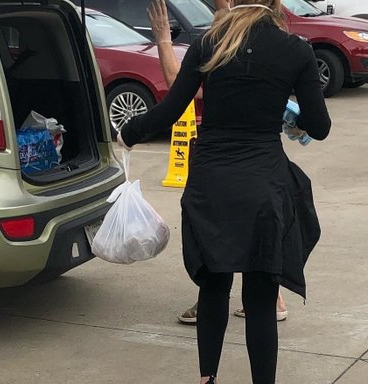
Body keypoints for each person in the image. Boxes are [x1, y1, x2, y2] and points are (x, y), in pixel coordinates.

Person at [118, 0, 331, 382]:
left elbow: (170, 111)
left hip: (211, 183)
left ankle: (207, 379)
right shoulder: (296, 48)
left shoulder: (209, 42)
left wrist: (129, 132)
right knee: (261, 300)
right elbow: (319, 126)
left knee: (214, 287)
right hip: (264, 185)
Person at [146, 0, 288, 325]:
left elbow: (173, 85)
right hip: (263, 155)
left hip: (222, 156)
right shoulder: (277, 33)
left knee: (217, 233)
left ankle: (213, 298)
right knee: (256, 228)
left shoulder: (221, 31)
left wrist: (164, 38)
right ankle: (270, 296)